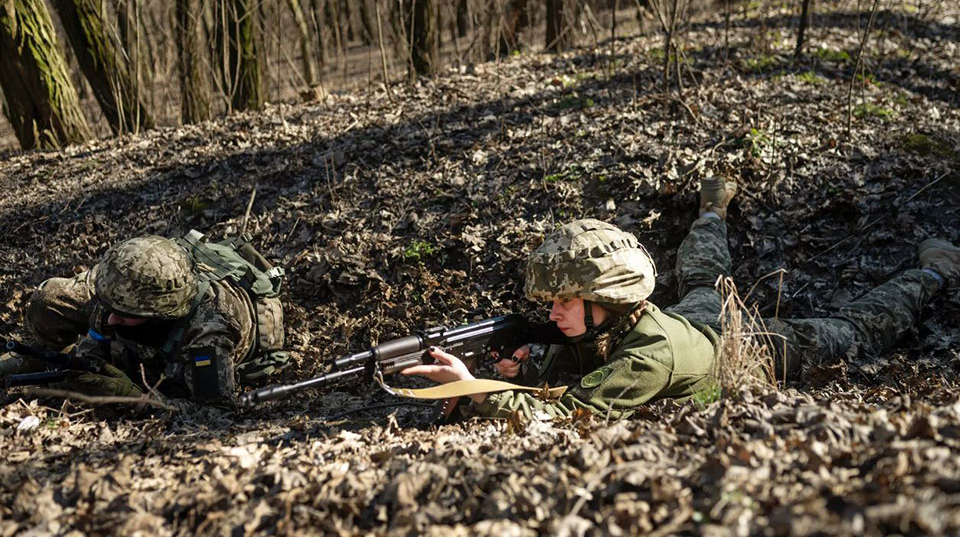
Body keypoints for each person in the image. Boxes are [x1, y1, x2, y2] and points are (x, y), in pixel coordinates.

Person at [402, 178, 959, 419]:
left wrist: (475, 388)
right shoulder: (606, 324)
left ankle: (933, 273)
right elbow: (567, 371)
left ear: (607, 300)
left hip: (755, 349)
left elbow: (573, 413)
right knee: (700, 275)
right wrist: (519, 371)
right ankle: (713, 209)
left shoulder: (648, 357)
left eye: (566, 302)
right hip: (687, 318)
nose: (552, 313)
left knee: (858, 328)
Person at [0, 234, 288, 406]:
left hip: (178, 347)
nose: (111, 318)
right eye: (109, 306)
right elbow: (108, 308)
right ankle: (37, 358)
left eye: (124, 315)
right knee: (49, 300)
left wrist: (137, 401)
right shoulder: (126, 291)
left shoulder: (209, 333)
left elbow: (216, 414)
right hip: (143, 291)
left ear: (160, 316)